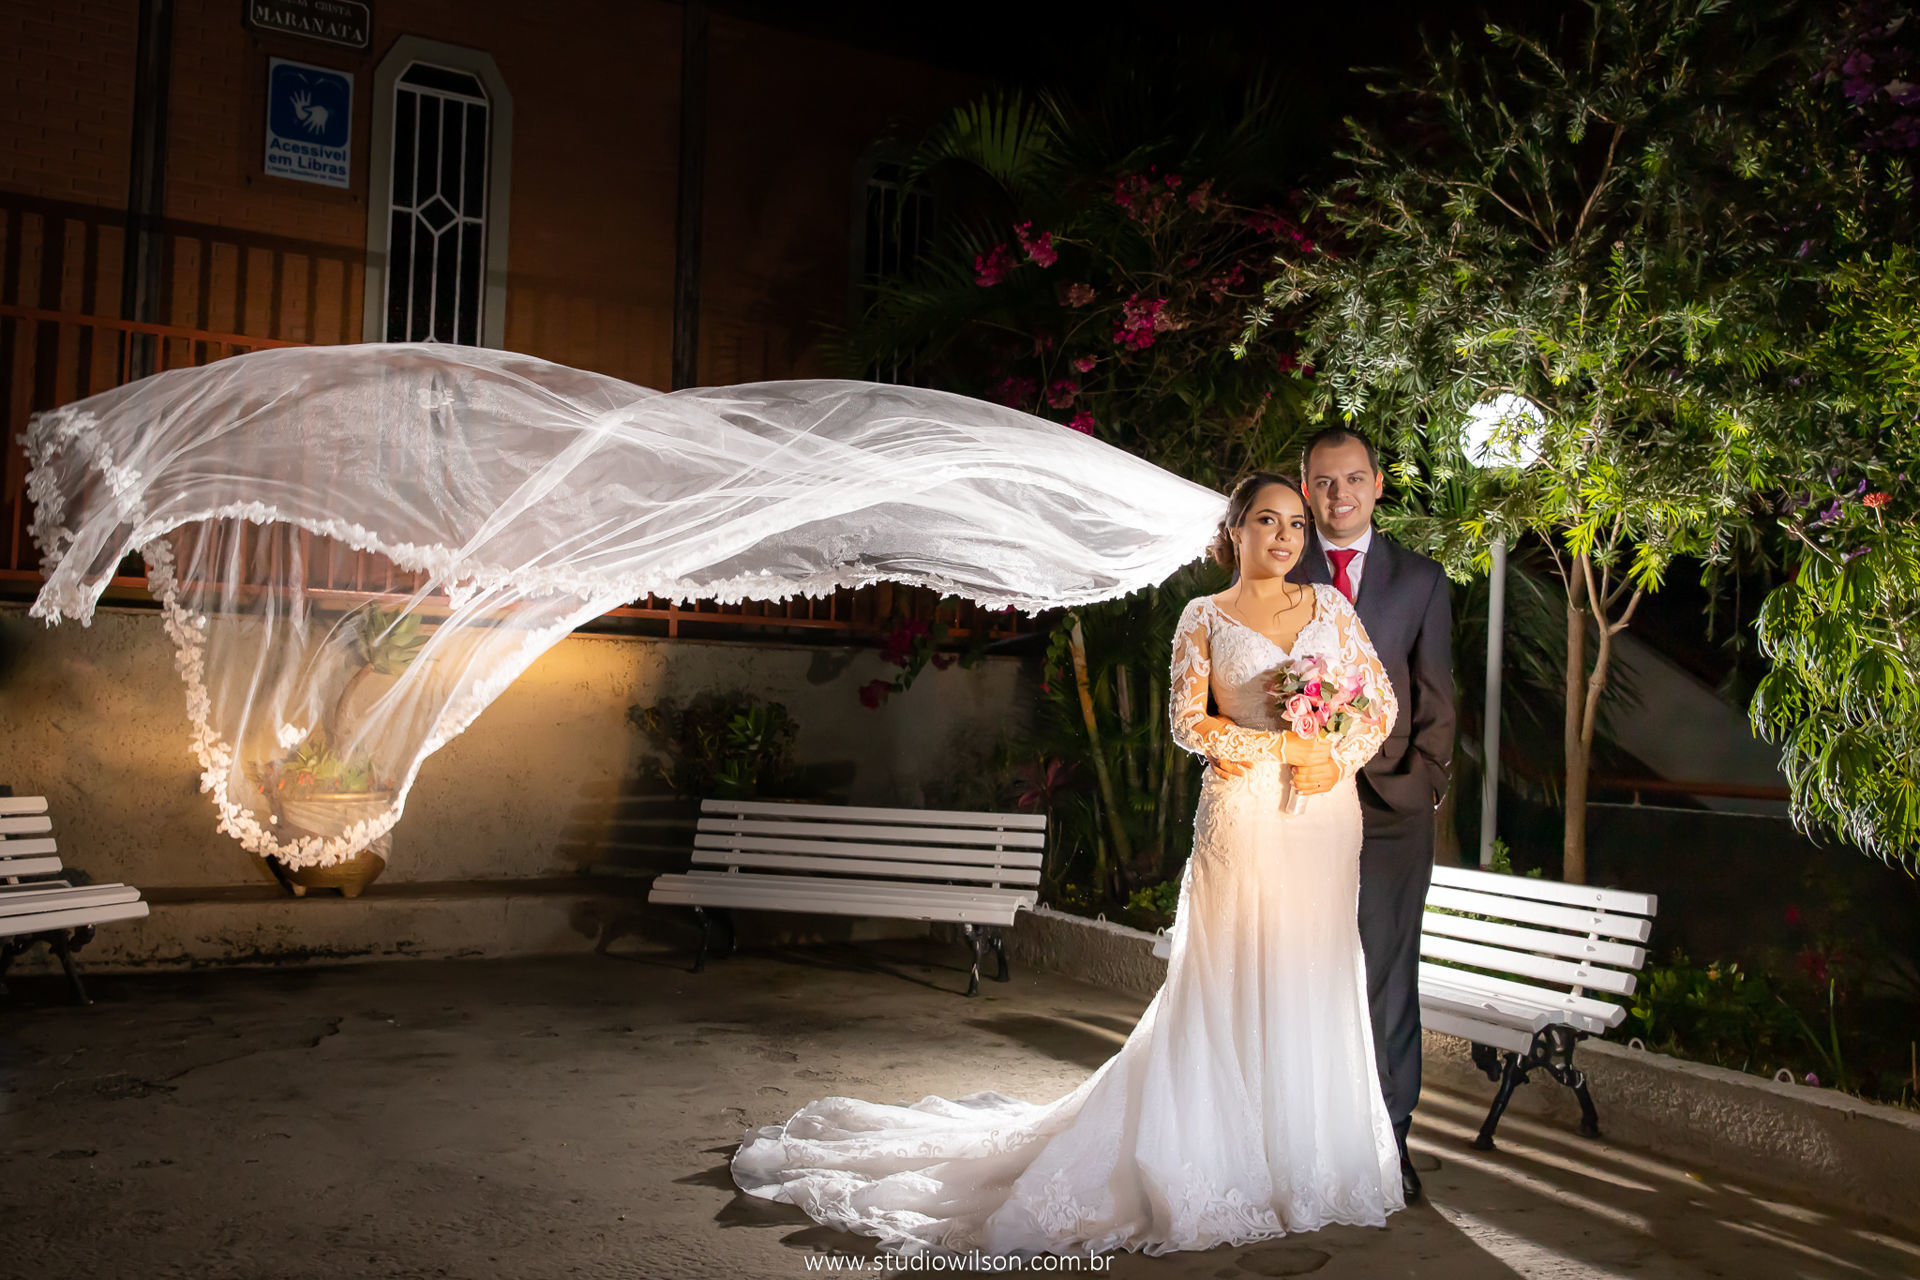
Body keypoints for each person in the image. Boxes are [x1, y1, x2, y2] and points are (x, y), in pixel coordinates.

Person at [730, 473, 1405, 1257]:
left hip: (1323, 819)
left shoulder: (1332, 609)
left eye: (1296, 524)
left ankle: (1308, 1162)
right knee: (1233, 975)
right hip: (1245, 817)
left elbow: (1380, 702)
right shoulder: (1205, 617)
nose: (1285, 537)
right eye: (1267, 521)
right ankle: (1225, 1158)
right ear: (1236, 532)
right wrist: (1278, 745)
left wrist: (1336, 756)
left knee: (1311, 972)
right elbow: (1190, 725)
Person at [1293, 426, 1455, 1200]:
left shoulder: (1422, 580)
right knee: (1299, 971)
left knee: (1388, 977)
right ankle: (1303, 1138)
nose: (1340, 495)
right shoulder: (1279, 570)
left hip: (1392, 810)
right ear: (1305, 490)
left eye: (1353, 479)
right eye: (1324, 483)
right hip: (1294, 808)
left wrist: (1422, 783)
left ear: (1378, 484)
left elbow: (1438, 698)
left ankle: (1391, 1143)